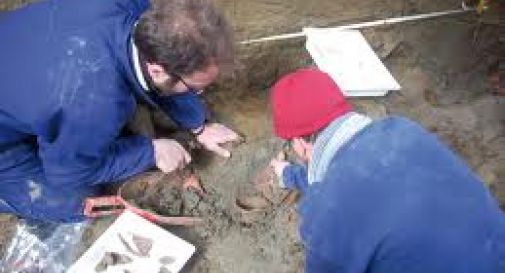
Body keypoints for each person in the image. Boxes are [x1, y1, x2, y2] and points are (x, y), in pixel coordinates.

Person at [0, 0, 238, 222]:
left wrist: (198, 125)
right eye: (194, 89)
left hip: (22, 56)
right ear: (156, 70)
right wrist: (150, 152)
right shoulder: (93, 100)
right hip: (12, 135)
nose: (196, 94)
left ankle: (50, 127)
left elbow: (163, 71)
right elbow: (68, 173)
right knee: (78, 199)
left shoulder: (135, 8)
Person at [269, 68, 505, 273]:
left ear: (299, 143)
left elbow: (338, 198)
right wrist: (288, 175)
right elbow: (357, 181)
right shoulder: (402, 128)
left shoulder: (327, 214)